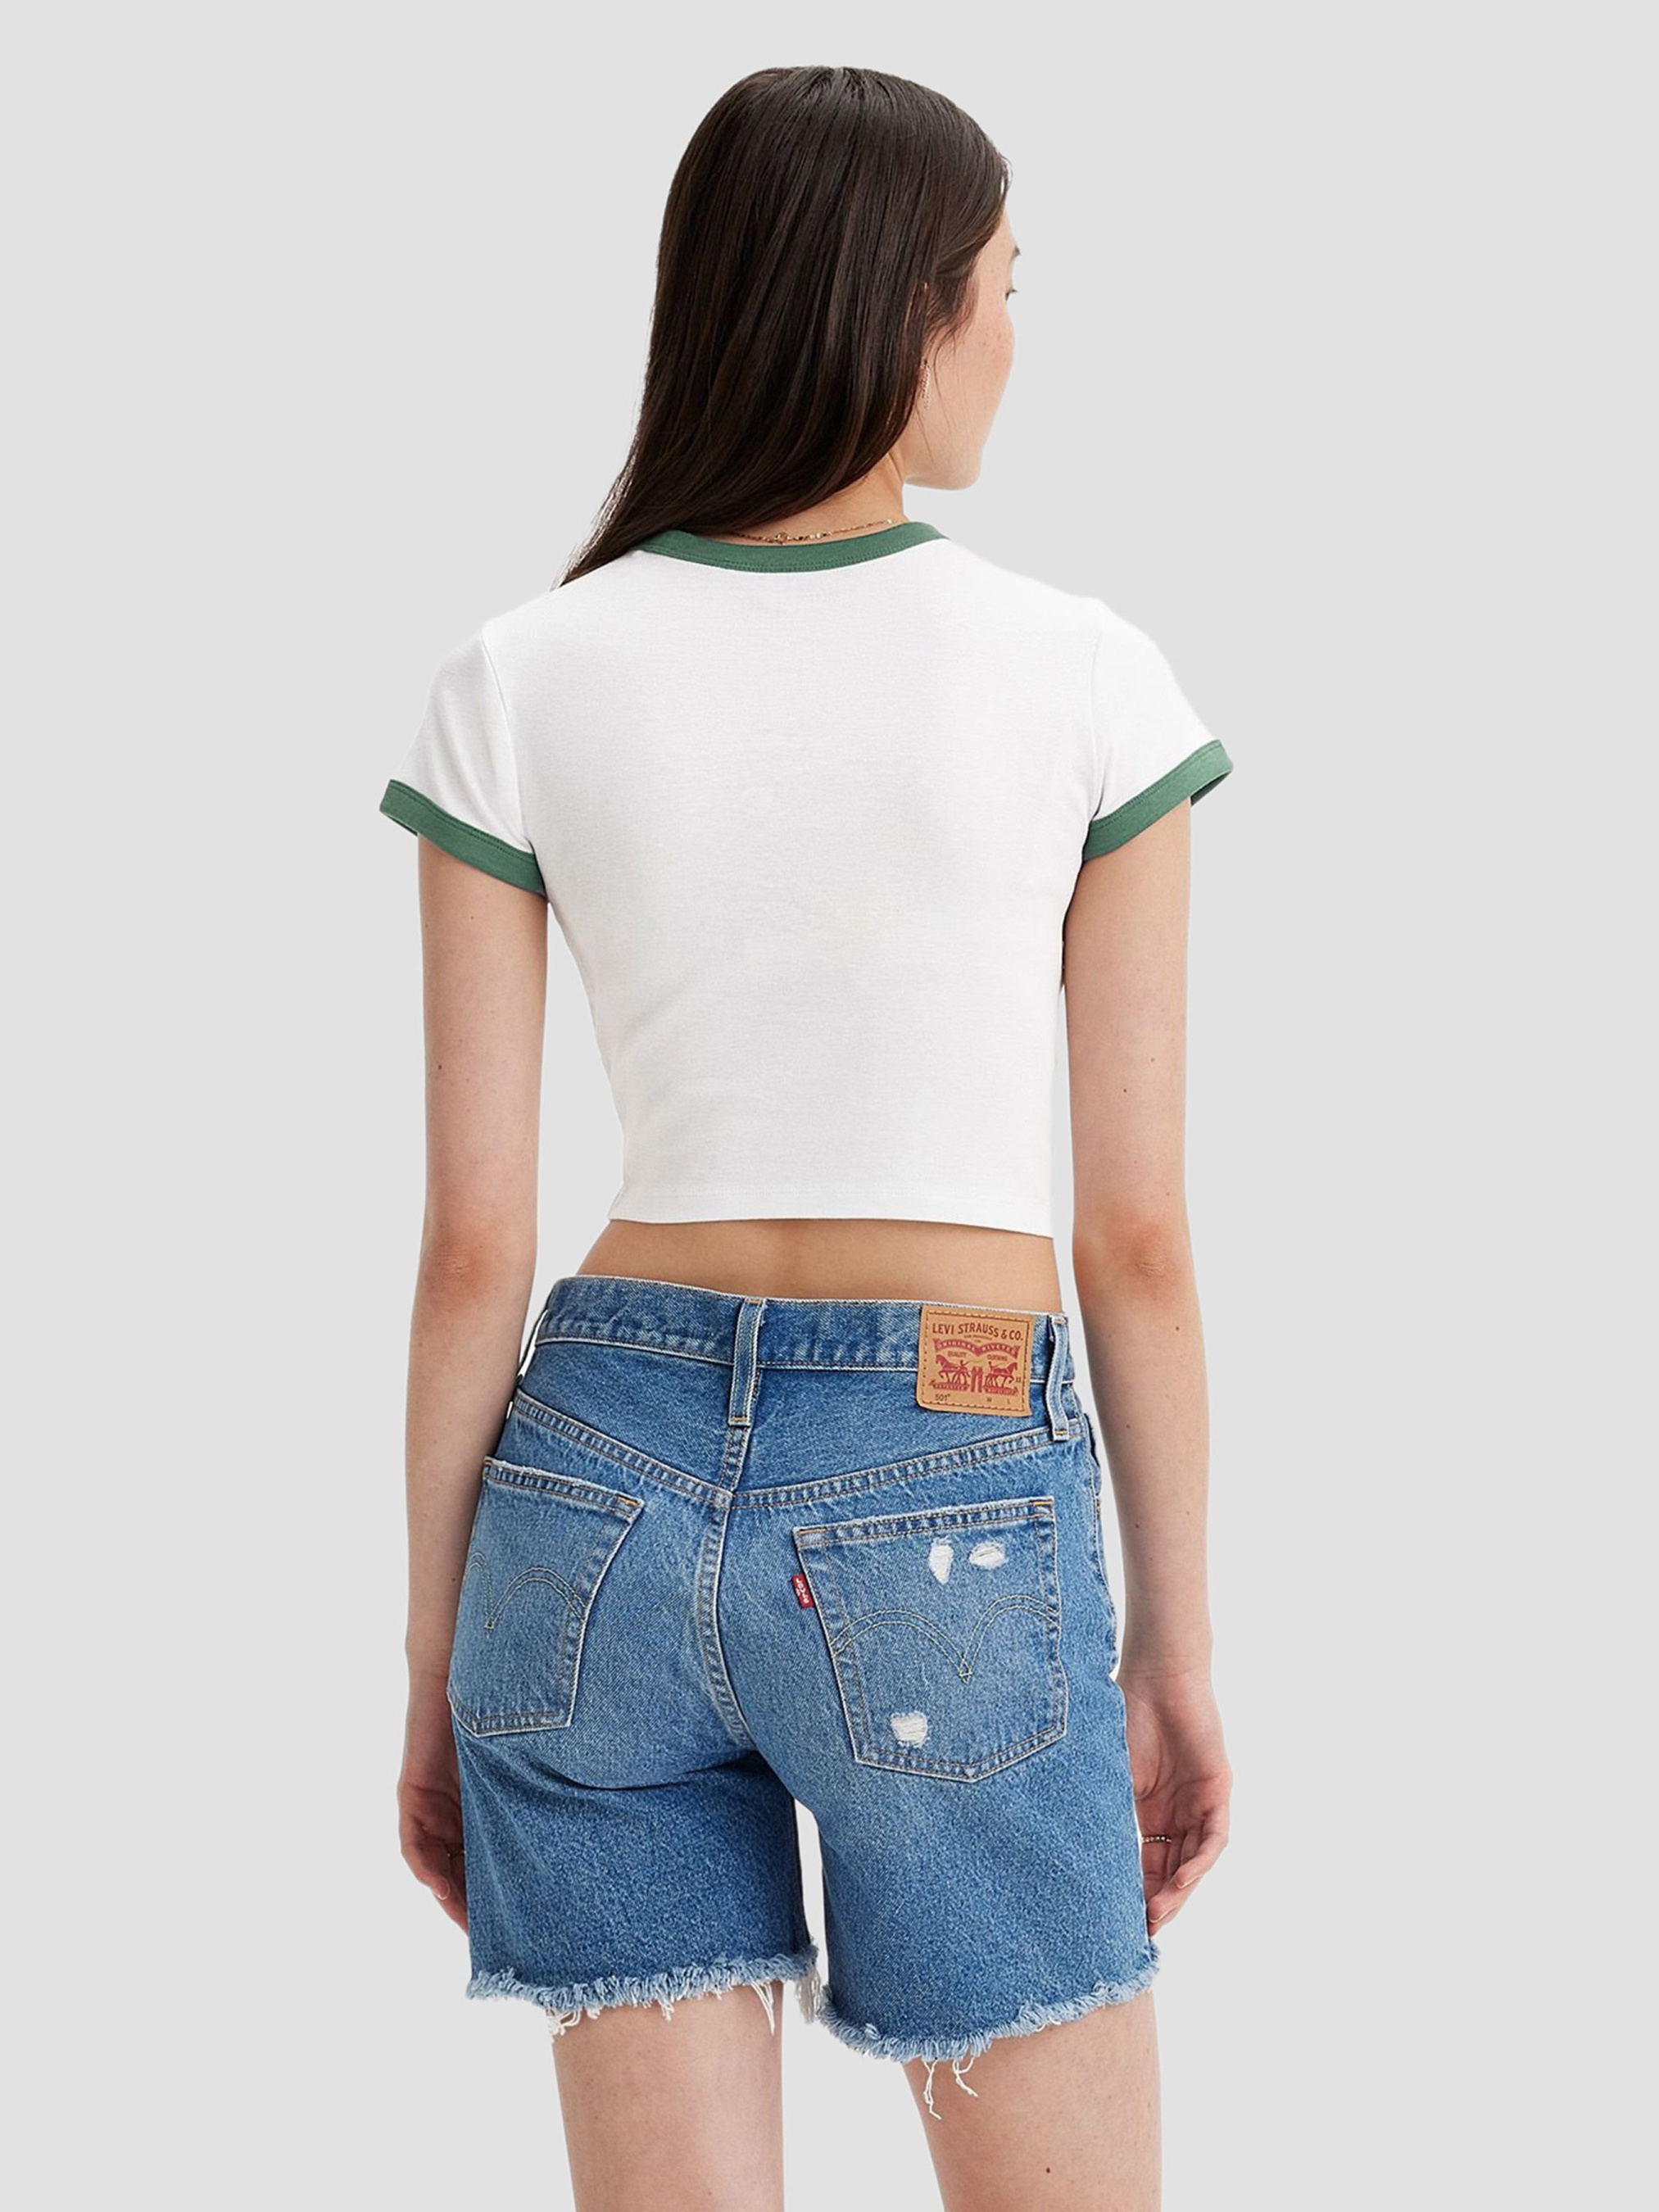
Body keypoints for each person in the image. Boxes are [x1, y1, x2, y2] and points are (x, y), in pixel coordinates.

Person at [380, 62, 1233, 2212]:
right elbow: (1132, 1233)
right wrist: (1175, 1648)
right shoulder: (1084, 676)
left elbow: (474, 1245)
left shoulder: (519, 673)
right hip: (948, 1464)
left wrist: (436, 1659)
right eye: (1006, 285)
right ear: (907, 306)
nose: (1015, 338)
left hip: (582, 1492)